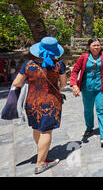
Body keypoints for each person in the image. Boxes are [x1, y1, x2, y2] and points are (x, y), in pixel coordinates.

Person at [12, 37, 67, 175]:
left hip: (32, 102)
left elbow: (17, 83)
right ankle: (41, 163)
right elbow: (64, 83)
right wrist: (58, 90)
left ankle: (42, 151)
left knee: (37, 127)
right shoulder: (59, 65)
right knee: (46, 131)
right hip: (51, 102)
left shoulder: (28, 64)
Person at [70, 38, 103, 148]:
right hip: (87, 88)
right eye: (94, 45)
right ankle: (89, 127)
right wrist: (74, 85)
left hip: (101, 88)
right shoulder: (84, 57)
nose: (96, 47)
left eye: (98, 45)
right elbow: (75, 71)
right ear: (89, 47)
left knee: (101, 110)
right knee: (88, 110)